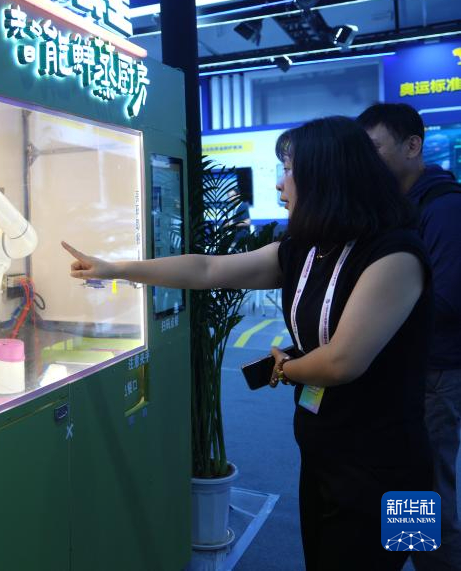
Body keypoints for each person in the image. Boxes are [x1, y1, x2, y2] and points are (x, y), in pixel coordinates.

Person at [63, 116, 433, 571]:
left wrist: (284, 367)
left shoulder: (395, 255)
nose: (279, 184)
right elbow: (208, 270)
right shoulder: (308, 248)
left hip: (388, 466)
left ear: (327, 176)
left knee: (407, 555)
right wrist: (115, 269)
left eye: (289, 170)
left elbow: (342, 363)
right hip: (325, 453)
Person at [358, 102, 461, 571]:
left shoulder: (445, 207)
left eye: (374, 147)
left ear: (412, 145)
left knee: (430, 485)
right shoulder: (401, 209)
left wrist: (372, 315)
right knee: (410, 481)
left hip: (435, 372)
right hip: (409, 371)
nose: (367, 160)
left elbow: (447, 298)